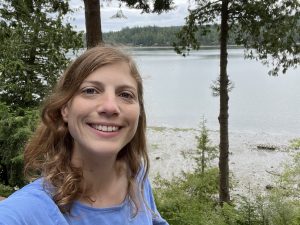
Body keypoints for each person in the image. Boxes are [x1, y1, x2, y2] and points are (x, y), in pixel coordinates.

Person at [0, 46, 169, 225]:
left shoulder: (135, 174)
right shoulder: (25, 212)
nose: (110, 107)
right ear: (65, 109)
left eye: (125, 94)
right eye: (90, 91)